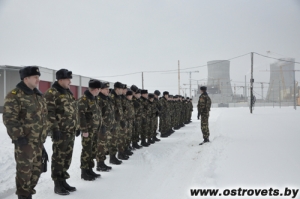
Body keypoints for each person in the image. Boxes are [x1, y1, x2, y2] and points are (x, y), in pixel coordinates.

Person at [3, 66, 48, 199]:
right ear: (26, 78)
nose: (38, 80)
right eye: (35, 77)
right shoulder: (15, 95)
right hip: (25, 142)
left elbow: (43, 117)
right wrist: (18, 137)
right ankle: (23, 196)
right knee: (24, 172)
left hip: (38, 141)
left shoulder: (38, 95)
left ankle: (29, 193)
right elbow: (10, 118)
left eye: (38, 77)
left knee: (36, 170)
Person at [44, 69, 79, 195]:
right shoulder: (52, 93)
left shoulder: (67, 92)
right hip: (60, 132)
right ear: (60, 80)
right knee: (59, 157)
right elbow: (49, 113)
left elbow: (73, 111)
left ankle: (63, 180)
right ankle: (57, 184)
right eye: (68, 79)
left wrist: (77, 125)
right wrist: (54, 129)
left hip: (70, 131)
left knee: (67, 157)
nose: (70, 81)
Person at [77, 79, 102, 181]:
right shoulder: (83, 100)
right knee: (86, 150)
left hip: (94, 130)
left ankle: (90, 169)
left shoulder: (93, 98)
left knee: (92, 150)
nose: (99, 91)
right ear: (95, 89)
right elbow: (80, 116)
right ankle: (84, 172)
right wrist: (84, 130)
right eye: (99, 89)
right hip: (88, 130)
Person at [97, 82, 115, 170]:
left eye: (108, 89)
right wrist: (102, 125)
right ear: (100, 89)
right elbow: (98, 114)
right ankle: (99, 164)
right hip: (101, 127)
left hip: (108, 126)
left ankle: (102, 162)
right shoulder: (99, 99)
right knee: (101, 145)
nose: (108, 91)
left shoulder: (107, 99)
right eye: (106, 89)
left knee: (104, 145)